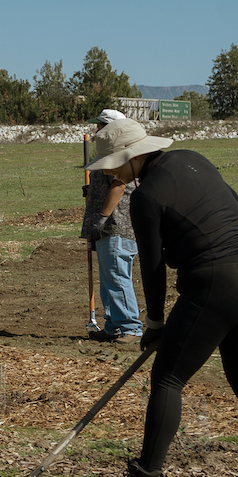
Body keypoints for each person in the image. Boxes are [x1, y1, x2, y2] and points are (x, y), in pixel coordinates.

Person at [83, 116, 238, 477]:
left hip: (218, 282)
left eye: (115, 162)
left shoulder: (147, 197)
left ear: (134, 156)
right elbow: (230, 202)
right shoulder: (193, 158)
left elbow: (151, 269)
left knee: (168, 377)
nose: (112, 171)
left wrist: (154, 324)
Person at [84, 109, 144, 343]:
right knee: (109, 277)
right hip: (107, 227)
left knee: (117, 276)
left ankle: (130, 327)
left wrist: (102, 216)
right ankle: (113, 324)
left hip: (117, 224)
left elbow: (119, 185)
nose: (97, 130)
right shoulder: (108, 151)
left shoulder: (119, 153)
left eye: (101, 126)